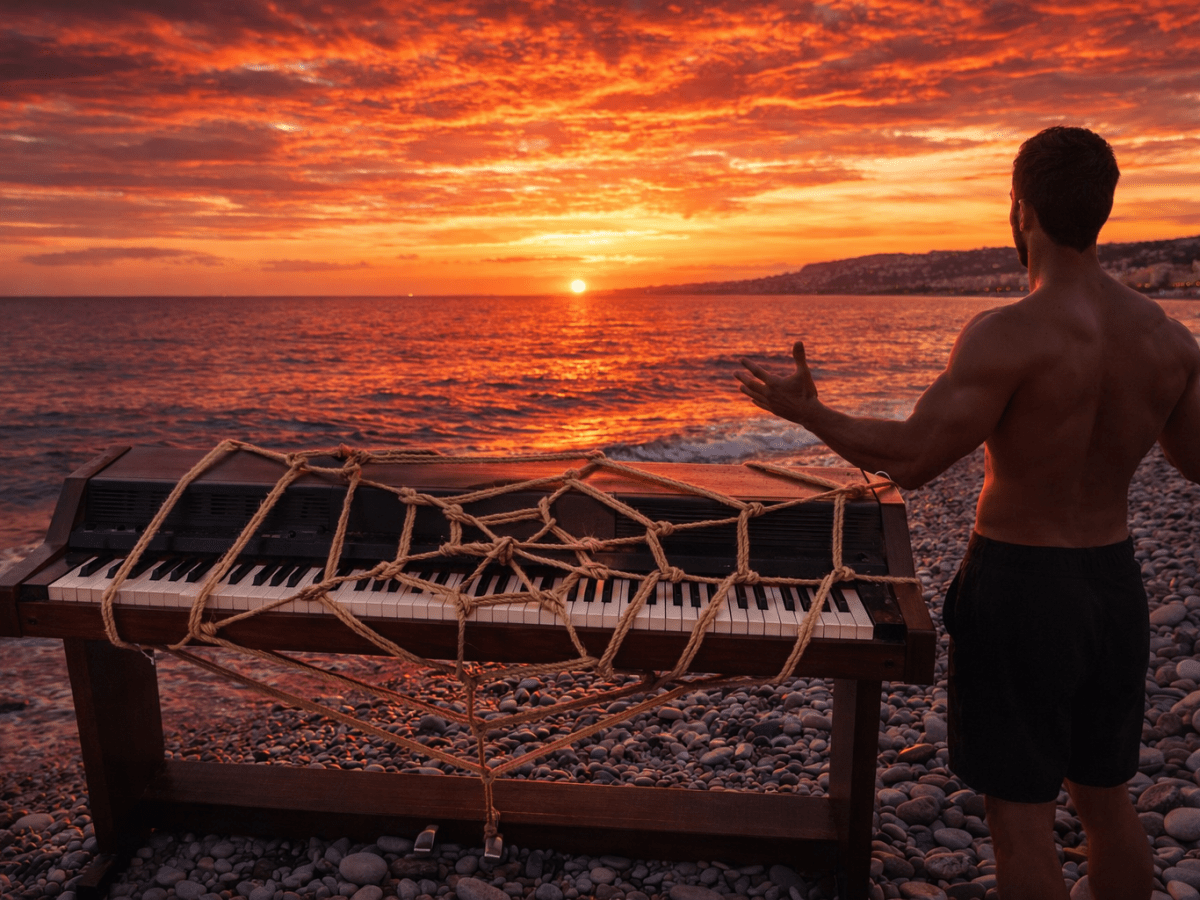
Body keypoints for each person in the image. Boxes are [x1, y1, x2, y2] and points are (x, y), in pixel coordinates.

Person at [736, 125, 1200, 900]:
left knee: (1019, 822)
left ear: (1019, 209)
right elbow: (1195, 463)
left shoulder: (1008, 333)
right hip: (1116, 588)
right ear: (1104, 210)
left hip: (1023, 585)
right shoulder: (1168, 337)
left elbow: (915, 459)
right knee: (1107, 800)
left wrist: (809, 413)